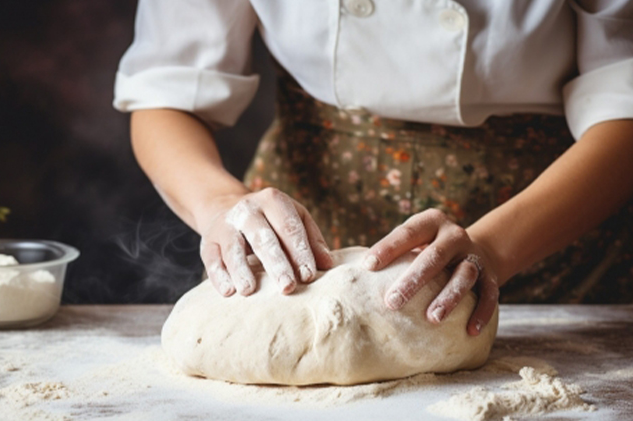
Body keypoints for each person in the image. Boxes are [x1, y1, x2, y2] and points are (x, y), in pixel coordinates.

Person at [114, 0, 633, 335]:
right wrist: (219, 204)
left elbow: (624, 99)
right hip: (302, 250)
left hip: (545, 236)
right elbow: (167, 89)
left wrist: (494, 249)